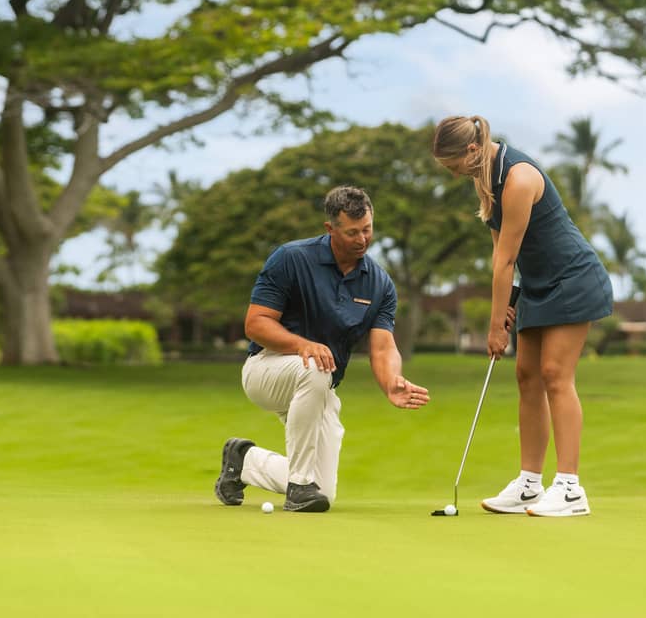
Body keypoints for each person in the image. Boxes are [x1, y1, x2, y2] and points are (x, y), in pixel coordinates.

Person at [431, 115, 613, 517]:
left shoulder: (518, 179)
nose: (453, 173)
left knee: (554, 374)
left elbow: (504, 260)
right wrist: (510, 302)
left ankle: (569, 488)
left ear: (472, 150)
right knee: (526, 376)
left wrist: (496, 328)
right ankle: (530, 483)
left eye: (452, 165)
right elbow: (505, 256)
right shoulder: (489, 181)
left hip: (573, 279)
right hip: (537, 285)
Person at [214, 185, 431, 513]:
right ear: (330, 229)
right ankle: (298, 486)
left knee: (324, 493)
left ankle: (243, 460)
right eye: (352, 232)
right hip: (266, 369)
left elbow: (384, 346)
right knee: (316, 368)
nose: (362, 240)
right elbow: (256, 323)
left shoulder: (380, 283)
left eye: (368, 230)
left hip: (318, 383)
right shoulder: (290, 258)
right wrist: (302, 345)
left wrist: (391, 382)